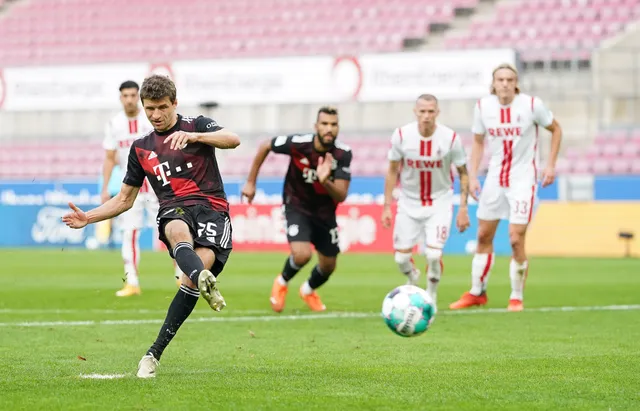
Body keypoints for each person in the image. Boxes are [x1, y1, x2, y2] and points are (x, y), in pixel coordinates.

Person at [63, 74, 240, 378]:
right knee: (175, 229)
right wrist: (88, 218)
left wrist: (196, 137)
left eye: (161, 108)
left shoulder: (197, 124)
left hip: (212, 208)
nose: (156, 115)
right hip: (174, 207)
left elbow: (232, 139)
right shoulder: (141, 147)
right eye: (150, 109)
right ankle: (157, 349)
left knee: (189, 282)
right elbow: (124, 199)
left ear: (175, 103)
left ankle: (157, 347)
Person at [449, 63, 563, 312]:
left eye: (510, 79)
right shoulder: (483, 107)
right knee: (483, 236)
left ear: (516, 83)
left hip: (523, 180)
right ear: (493, 83)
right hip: (494, 179)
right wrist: (475, 175)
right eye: (500, 79)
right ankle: (477, 292)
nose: (505, 84)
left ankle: (516, 296)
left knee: (515, 239)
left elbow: (556, 130)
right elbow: (478, 142)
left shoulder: (532, 105)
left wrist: (550, 165)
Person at [241, 106, 352, 313]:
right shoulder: (299, 144)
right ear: (316, 126)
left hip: (325, 213)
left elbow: (341, 195)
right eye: (325, 124)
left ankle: (308, 290)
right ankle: (281, 283)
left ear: (338, 128)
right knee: (302, 255)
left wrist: (324, 180)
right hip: (297, 205)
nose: (329, 129)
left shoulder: (342, 154)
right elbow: (266, 145)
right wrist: (250, 182)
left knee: (328, 266)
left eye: (333, 125)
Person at [381, 94, 470, 308]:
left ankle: (430, 295)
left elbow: (463, 173)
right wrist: (386, 206)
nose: (426, 116)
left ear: (437, 113)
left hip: (439, 202)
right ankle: (413, 277)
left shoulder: (449, 138)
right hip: (408, 202)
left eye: (431, 111)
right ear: (415, 112)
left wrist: (464, 208)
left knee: (433, 253)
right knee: (401, 259)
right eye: (422, 111)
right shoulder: (402, 135)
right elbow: (392, 171)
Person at [101, 80, 183, 296]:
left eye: (132, 95)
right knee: (129, 233)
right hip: (130, 189)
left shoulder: (150, 119)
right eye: (125, 95)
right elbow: (110, 158)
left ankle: (182, 276)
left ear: (138, 97)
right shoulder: (114, 123)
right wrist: (105, 187)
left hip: (157, 186)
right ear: (120, 98)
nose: (129, 99)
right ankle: (132, 282)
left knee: (171, 230)